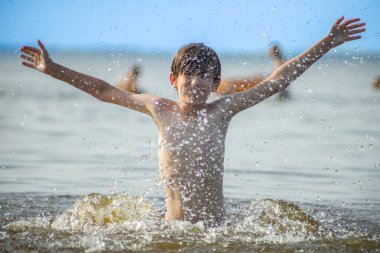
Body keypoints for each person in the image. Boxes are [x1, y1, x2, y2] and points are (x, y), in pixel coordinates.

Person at [20, 17, 365, 227]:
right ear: (174, 80)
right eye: (189, 75)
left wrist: (327, 43)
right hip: (174, 230)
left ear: (216, 84)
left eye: (205, 77)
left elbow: (277, 81)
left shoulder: (222, 111)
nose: (196, 83)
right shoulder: (159, 108)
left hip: (216, 231)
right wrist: (53, 70)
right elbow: (101, 89)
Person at [216, 44, 290, 99]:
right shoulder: (280, 61)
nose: (268, 53)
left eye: (270, 51)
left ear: (274, 52)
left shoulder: (279, 62)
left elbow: (278, 77)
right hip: (282, 91)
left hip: (281, 92)